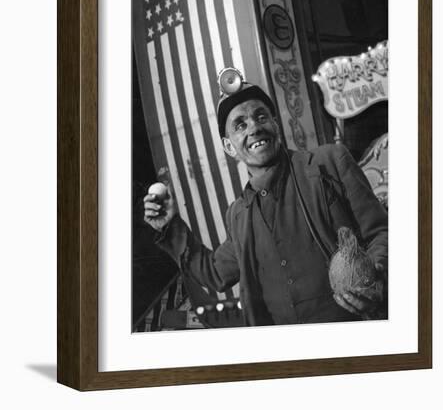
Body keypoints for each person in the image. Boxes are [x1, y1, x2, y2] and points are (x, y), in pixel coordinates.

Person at [144, 70, 388, 327]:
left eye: (261, 117)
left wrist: (376, 275)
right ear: (229, 147)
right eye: (240, 125)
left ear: (275, 125)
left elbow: (380, 232)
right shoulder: (238, 214)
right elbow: (216, 273)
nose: (254, 127)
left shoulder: (330, 162)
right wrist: (171, 226)